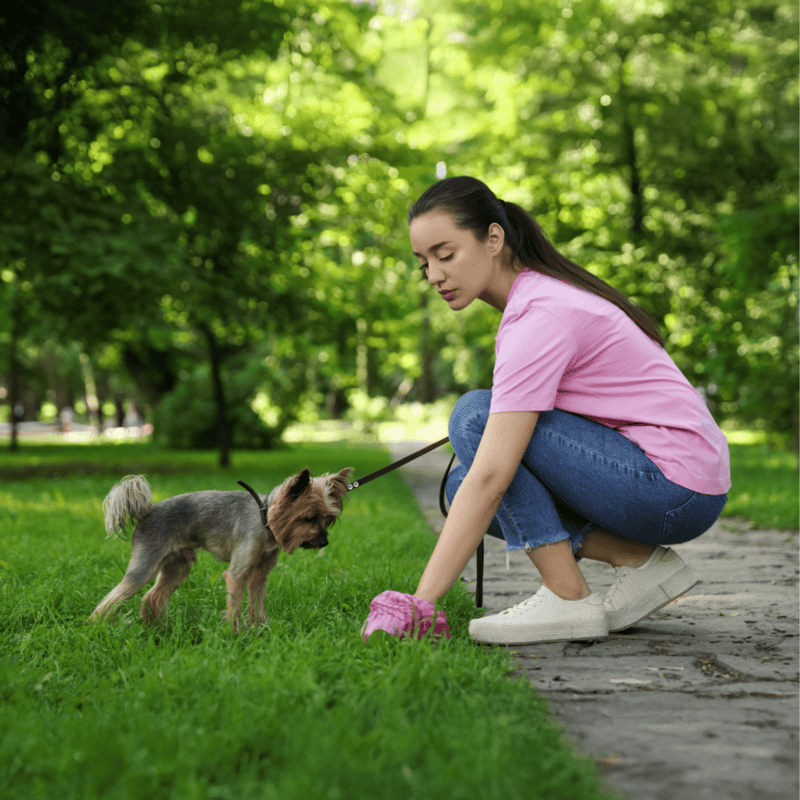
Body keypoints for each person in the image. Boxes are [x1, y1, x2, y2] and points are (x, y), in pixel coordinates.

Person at [361, 176, 730, 645]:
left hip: (672, 484)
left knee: (474, 416)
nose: (433, 275)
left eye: (445, 254)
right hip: (677, 483)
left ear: (493, 238)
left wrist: (422, 601)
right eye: (423, 263)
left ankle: (566, 596)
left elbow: (495, 472)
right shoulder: (538, 298)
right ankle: (638, 563)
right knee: (459, 488)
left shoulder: (540, 315)